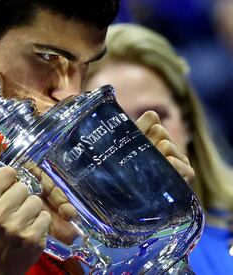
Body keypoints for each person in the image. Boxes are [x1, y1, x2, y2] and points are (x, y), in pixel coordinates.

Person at [0, 1, 195, 274]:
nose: (70, 91)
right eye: (48, 58)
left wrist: (150, 233)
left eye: (86, 65)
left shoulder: (78, 161)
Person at [85, 23, 233, 274]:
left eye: (155, 116)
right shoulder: (72, 261)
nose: (138, 140)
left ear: (188, 123)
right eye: (115, 125)